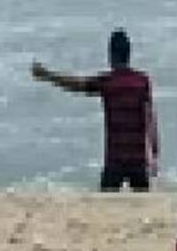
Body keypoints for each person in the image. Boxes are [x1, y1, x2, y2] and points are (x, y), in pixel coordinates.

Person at [31, 29, 159, 191]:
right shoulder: (142, 81)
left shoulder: (107, 82)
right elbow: (150, 118)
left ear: (111, 55)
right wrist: (154, 154)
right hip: (138, 160)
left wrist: (47, 75)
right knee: (141, 200)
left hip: (115, 159)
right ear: (129, 54)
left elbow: (76, 85)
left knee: (107, 198)